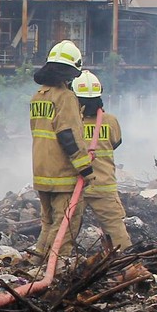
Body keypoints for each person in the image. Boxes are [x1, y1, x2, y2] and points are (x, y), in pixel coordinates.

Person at [29, 40, 93, 261]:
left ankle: (37, 261)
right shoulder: (65, 97)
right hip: (62, 172)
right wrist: (85, 168)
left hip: (41, 169)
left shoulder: (38, 96)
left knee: (48, 222)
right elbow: (68, 135)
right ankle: (56, 267)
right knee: (66, 222)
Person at [72, 71, 132, 250]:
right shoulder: (110, 121)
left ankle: (57, 263)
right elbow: (116, 143)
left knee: (66, 230)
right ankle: (127, 262)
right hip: (104, 185)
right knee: (116, 230)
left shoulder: (71, 122)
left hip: (76, 187)